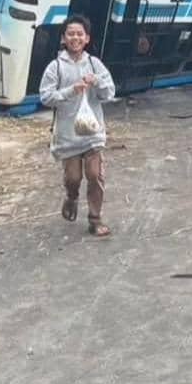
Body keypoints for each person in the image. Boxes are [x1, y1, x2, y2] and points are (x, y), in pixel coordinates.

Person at [39, 14, 116, 238]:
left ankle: (95, 219)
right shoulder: (55, 67)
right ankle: (71, 197)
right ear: (63, 38)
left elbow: (109, 93)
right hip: (68, 134)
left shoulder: (94, 64)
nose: (75, 37)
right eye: (71, 33)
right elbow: (45, 97)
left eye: (80, 34)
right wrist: (71, 90)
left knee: (95, 174)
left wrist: (97, 82)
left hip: (92, 132)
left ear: (87, 38)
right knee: (73, 177)